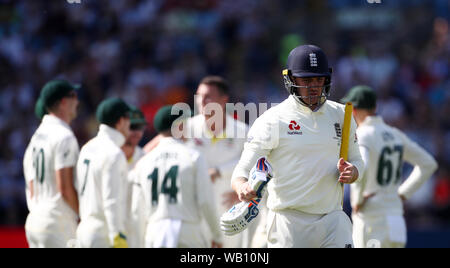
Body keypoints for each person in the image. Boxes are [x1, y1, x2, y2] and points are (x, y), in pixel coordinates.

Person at [231, 44, 365, 248]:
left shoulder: (342, 114)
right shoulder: (272, 120)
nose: (314, 85)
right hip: (288, 222)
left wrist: (354, 171)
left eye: (319, 79)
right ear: (291, 80)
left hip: (333, 220)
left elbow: (357, 161)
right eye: (306, 79)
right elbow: (242, 170)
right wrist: (242, 186)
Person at [144, 76, 249, 248]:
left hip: (230, 211)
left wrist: (234, 182)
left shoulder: (242, 131)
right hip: (195, 215)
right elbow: (151, 149)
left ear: (223, 100)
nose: (202, 101)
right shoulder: (186, 127)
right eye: (199, 96)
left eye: (208, 96)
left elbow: (255, 164)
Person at [341, 85, 438, 248]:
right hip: (396, 222)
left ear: (355, 111)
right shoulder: (395, 134)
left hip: (372, 220)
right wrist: (402, 193)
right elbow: (428, 164)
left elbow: (362, 165)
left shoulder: (363, 134)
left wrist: (356, 200)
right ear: (375, 108)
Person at [132, 105, 223, 248]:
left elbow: (137, 210)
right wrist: (217, 235)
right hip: (187, 232)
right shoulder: (193, 156)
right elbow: (206, 201)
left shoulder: (143, 162)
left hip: (154, 234)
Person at [23, 80, 80, 248]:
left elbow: (32, 188)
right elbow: (65, 187)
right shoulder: (64, 136)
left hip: (34, 219)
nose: (77, 101)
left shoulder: (35, 138)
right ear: (64, 102)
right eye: (74, 96)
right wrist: (81, 215)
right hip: (57, 221)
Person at [76, 97, 131, 248]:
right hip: (103, 233)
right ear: (120, 121)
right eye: (128, 119)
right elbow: (111, 200)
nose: (130, 125)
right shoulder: (114, 153)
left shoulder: (86, 148)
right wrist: (117, 236)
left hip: (84, 229)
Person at [122, 106, 147, 248]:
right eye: (133, 126)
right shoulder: (110, 154)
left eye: (141, 127)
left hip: (137, 230)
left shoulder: (145, 157)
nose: (137, 132)